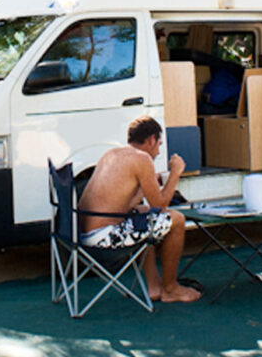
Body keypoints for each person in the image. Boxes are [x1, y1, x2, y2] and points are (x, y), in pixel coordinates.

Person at [78, 115, 201, 303]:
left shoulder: (111, 154)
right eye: (159, 144)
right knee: (176, 219)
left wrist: (151, 182)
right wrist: (175, 173)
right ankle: (170, 288)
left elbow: (125, 205)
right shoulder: (142, 159)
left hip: (84, 235)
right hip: (104, 239)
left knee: (144, 214)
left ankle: (153, 286)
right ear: (151, 139)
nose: (159, 151)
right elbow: (159, 206)